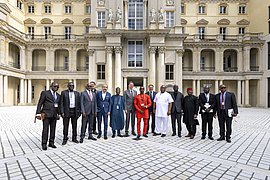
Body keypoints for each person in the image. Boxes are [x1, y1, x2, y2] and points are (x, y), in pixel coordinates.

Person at [35, 82, 60, 150]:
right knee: (45, 130)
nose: (56, 88)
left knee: (53, 130)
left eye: (57, 87)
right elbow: (40, 103)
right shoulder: (45, 93)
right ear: (51, 86)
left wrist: (59, 114)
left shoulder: (58, 95)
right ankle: (44, 144)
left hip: (54, 115)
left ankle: (51, 143)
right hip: (46, 114)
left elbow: (58, 106)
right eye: (55, 86)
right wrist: (38, 113)